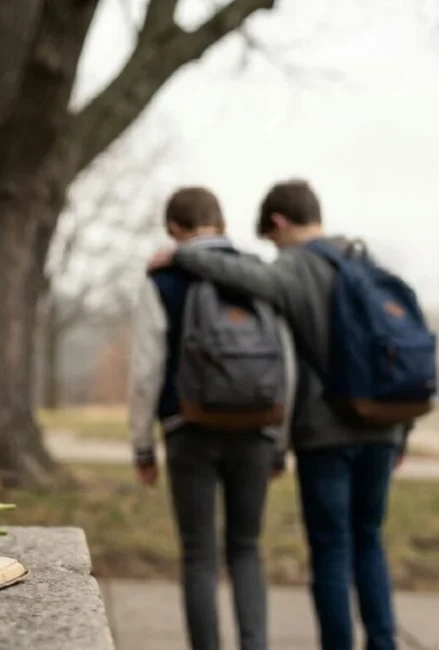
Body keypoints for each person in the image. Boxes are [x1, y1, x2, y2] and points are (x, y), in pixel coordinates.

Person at [148, 179, 407, 650]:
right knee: (369, 540)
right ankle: (384, 643)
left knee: (331, 549)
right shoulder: (364, 262)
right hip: (384, 428)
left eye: (271, 238)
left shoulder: (294, 268)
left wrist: (181, 254)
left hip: (326, 432)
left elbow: (249, 280)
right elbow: (392, 345)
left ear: (279, 223)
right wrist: (401, 432)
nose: (273, 248)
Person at [129, 186, 294, 650]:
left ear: (174, 231)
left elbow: (145, 370)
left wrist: (142, 445)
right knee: (246, 548)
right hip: (257, 428)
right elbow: (287, 362)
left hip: (189, 430)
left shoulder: (162, 279)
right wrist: (279, 439)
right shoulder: (257, 274)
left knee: (199, 555)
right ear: (221, 225)